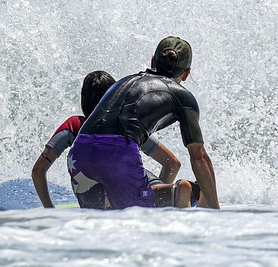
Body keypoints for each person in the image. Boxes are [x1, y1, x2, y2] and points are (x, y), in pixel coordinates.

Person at [67, 37, 220, 210]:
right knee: (140, 211)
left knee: (101, 214)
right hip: (117, 152)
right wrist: (214, 207)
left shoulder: (122, 82)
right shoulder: (183, 97)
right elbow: (198, 156)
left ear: (153, 60)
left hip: (80, 150)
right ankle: (176, 193)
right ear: (186, 73)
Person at [32, 70, 194, 208]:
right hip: (129, 175)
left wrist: (49, 208)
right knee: (145, 190)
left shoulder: (74, 124)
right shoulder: (126, 124)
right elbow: (172, 163)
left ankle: (113, 203)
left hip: (91, 183)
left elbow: (39, 170)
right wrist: (151, 206)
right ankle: (168, 192)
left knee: (96, 195)